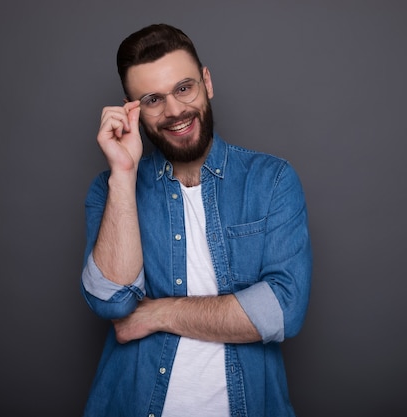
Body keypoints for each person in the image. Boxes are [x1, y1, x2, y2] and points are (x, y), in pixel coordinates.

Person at [81, 23, 312, 417]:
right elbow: (113, 303)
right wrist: (123, 172)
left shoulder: (271, 180)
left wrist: (158, 313)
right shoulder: (110, 189)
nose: (174, 111)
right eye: (152, 99)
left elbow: (283, 311)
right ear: (131, 110)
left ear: (206, 81)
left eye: (184, 88)